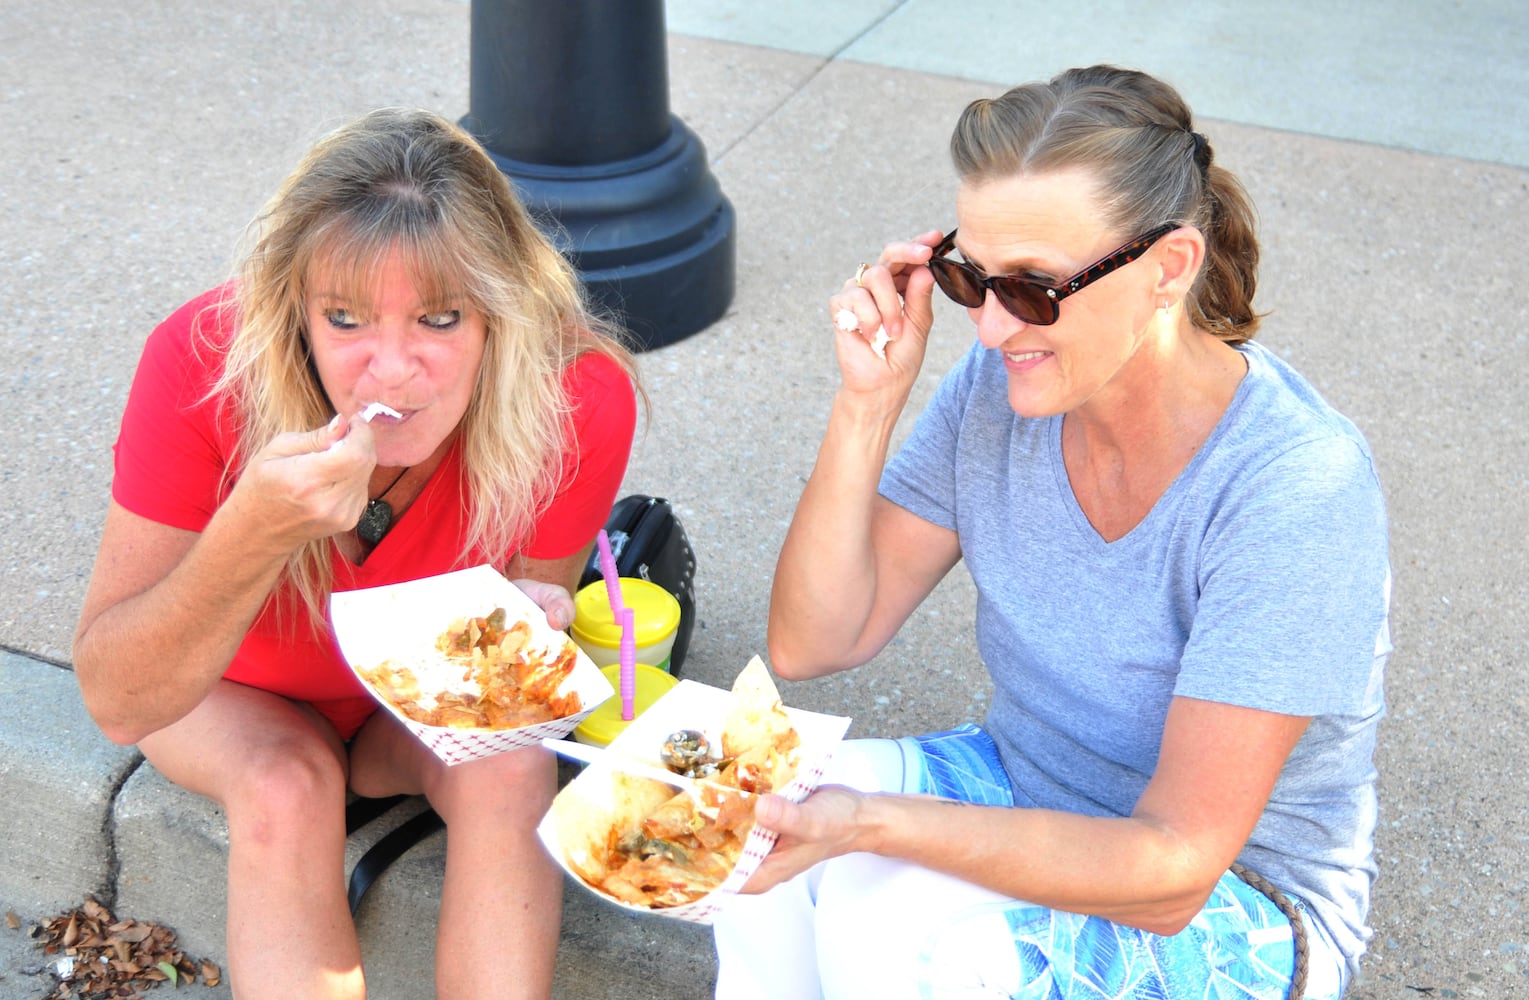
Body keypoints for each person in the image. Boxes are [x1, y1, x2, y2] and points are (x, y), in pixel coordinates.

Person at [713, 65, 1390, 1000]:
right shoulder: (1001, 388)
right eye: (967, 278)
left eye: (1032, 289)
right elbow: (813, 641)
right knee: (749, 815)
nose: (990, 330)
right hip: (1021, 779)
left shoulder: (1293, 490)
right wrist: (867, 405)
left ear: (1169, 267)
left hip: (1237, 896)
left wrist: (871, 825)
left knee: (897, 933)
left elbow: (1173, 869)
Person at [72, 108, 640, 999]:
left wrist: (534, 621)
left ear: (502, 314)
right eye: (344, 319)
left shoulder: (575, 399)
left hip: (405, 702)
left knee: (512, 759)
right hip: (224, 695)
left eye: (440, 319)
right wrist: (253, 529)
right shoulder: (201, 365)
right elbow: (117, 695)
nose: (391, 370)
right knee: (286, 782)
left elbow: (521, 625)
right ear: (293, 312)